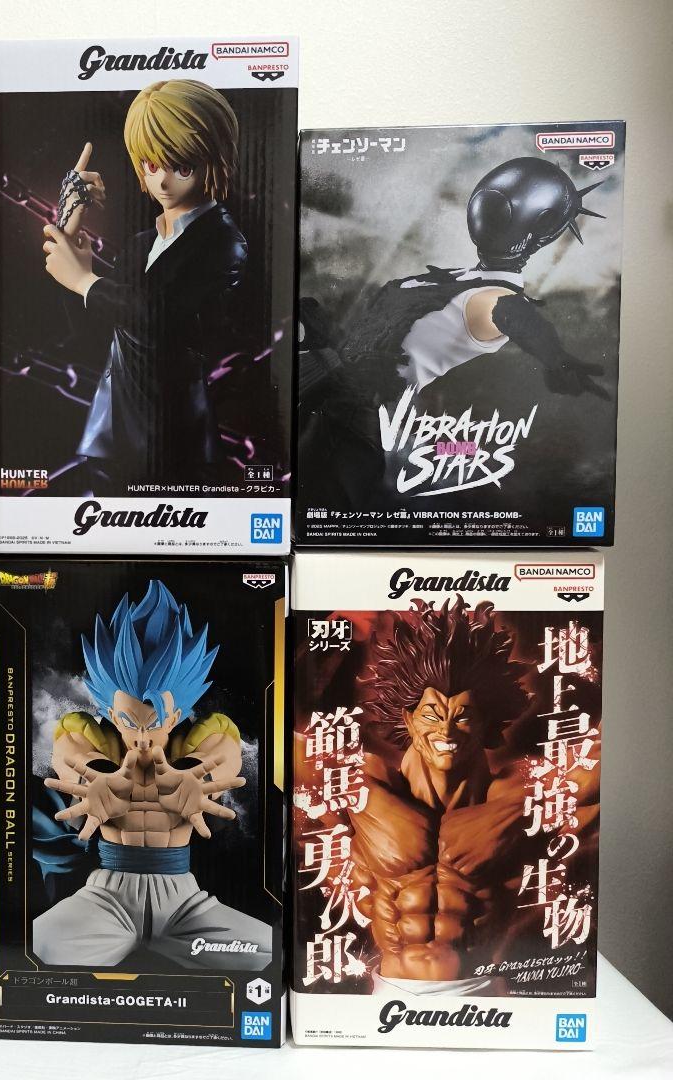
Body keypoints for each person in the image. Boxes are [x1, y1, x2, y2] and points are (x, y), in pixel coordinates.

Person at [316, 597, 598, 995]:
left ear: (485, 722)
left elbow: (597, 764)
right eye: (432, 715)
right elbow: (288, 743)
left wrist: (586, 638)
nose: (446, 732)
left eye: (463, 716)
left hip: (479, 989)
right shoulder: (366, 785)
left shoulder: (516, 795)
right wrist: (331, 635)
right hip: (392, 991)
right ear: (408, 720)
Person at [298, 157, 608, 508]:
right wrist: (326, 337)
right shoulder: (458, 280)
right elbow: (378, 343)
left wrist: (555, 358)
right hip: (325, 395)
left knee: (313, 508)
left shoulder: (492, 298)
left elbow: (512, 314)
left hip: (350, 425)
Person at [35, 580, 271, 970]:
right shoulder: (92, 738)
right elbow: (71, 749)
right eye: (130, 721)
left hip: (185, 903)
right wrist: (94, 781)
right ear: (112, 714)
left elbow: (223, 749)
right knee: (41, 945)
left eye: (156, 722)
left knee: (264, 953)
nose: (142, 737)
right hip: (107, 898)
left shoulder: (198, 740)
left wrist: (196, 780)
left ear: (175, 716)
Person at [41, 80, 247, 487]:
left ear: (214, 159)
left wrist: (85, 280)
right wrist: (70, 227)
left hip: (172, 442)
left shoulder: (224, 242)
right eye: (152, 166)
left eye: (182, 167)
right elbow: (95, 328)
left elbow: (159, 318)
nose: (163, 181)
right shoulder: (141, 245)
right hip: (111, 431)